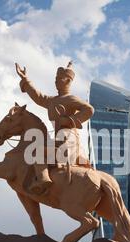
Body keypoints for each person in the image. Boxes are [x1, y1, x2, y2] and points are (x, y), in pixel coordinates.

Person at [15, 61, 94, 195]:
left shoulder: (70, 99)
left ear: (68, 80)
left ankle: (43, 180)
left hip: (68, 141)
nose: (56, 82)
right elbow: (38, 97)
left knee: (37, 152)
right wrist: (25, 79)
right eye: (55, 79)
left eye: (59, 79)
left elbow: (89, 110)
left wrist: (69, 121)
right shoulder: (52, 100)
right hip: (58, 140)